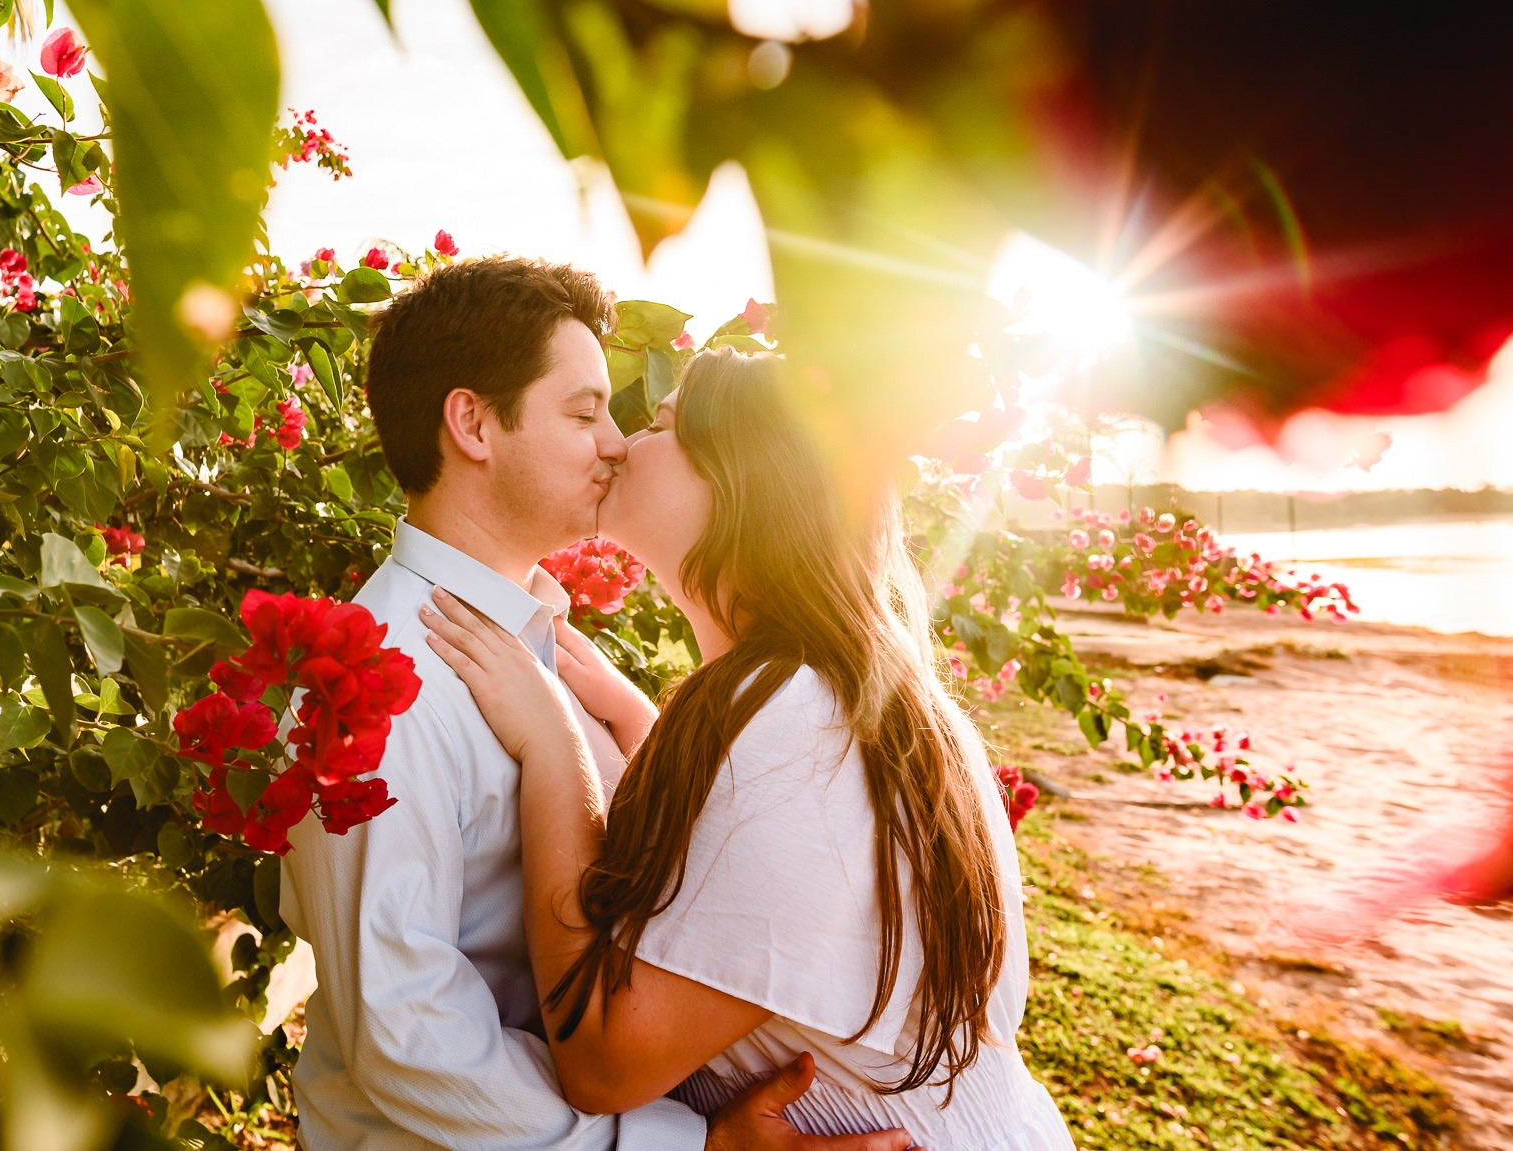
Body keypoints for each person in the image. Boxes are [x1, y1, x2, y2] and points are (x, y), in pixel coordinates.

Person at [279, 260, 915, 1151]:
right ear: (473, 424)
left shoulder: (544, 648)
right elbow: (410, 1036)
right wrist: (686, 1145)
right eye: (584, 414)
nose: (616, 444)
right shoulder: (379, 683)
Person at [419, 348, 1074, 1151]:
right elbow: (754, 869)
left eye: (660, 424)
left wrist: (555, 744)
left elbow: (604, 1061)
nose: (620, 442)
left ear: (739, 478)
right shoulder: (829, 694)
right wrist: (639, 725)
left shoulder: (802, 731)